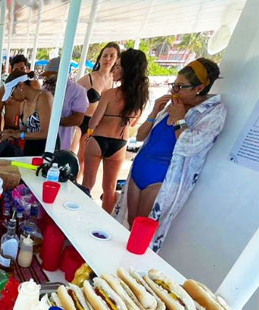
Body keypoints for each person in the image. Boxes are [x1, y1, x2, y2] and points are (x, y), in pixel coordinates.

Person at [114, 59, 225, 251]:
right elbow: (140, 136)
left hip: (161, 178)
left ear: (198, 88)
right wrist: (155, 111)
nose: (174, 90)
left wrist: (178, 118)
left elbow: (190, 146)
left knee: (143, 228)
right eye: (174, 84)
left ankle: (127, 271)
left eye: (180, 86)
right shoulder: (172, 104)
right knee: (131, 221)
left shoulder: (212, 112)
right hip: (140, 169)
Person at [82, 48, 149, 213]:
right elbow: (133, 124)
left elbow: (93, 122)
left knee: (87, 185)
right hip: (119, 143)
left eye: (118, 66)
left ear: (126, 71)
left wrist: (91, 130)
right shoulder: (140, 97)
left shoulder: (109, 94)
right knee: (110, 189)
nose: (114, 69)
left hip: (98, 139)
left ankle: (81, 216)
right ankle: (105, 222)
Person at [75, 43, 120, 176]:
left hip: (100, 124)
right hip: (83, 121)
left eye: (112, 56)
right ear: (99, 58)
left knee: (87, 159)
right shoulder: (88, 78)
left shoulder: (115, 80)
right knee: (80, 157)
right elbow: (70, 93)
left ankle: (78, 184)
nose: (108, 59)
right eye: (105, 55)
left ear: (117, 59)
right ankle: (74, 181)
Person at [0, 71, 53, 155]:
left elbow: (46, 133)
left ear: (20, 86)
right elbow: (26, 131)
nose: (12, 97)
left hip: (45, 150)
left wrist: (19, 135)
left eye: (12, 94)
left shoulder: (43, 97)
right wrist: (12, 133)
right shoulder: (23, 103)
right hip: (30, 148)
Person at [41, 57, 89, 150]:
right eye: (46, 76)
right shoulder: (45, 88)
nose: (47, 78)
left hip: (62, 142)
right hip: (41, 140)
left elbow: (78, 119)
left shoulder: (78, 91)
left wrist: (51, 122)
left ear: (61, 74)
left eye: (50, 75)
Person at [0, 54, 37, 130]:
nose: (19, 72)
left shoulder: (33, 86)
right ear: (12, 71)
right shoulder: (4, 89)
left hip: (28, 131)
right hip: (9, 129)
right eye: (16, 70)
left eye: (22, 69)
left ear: (26, 69)